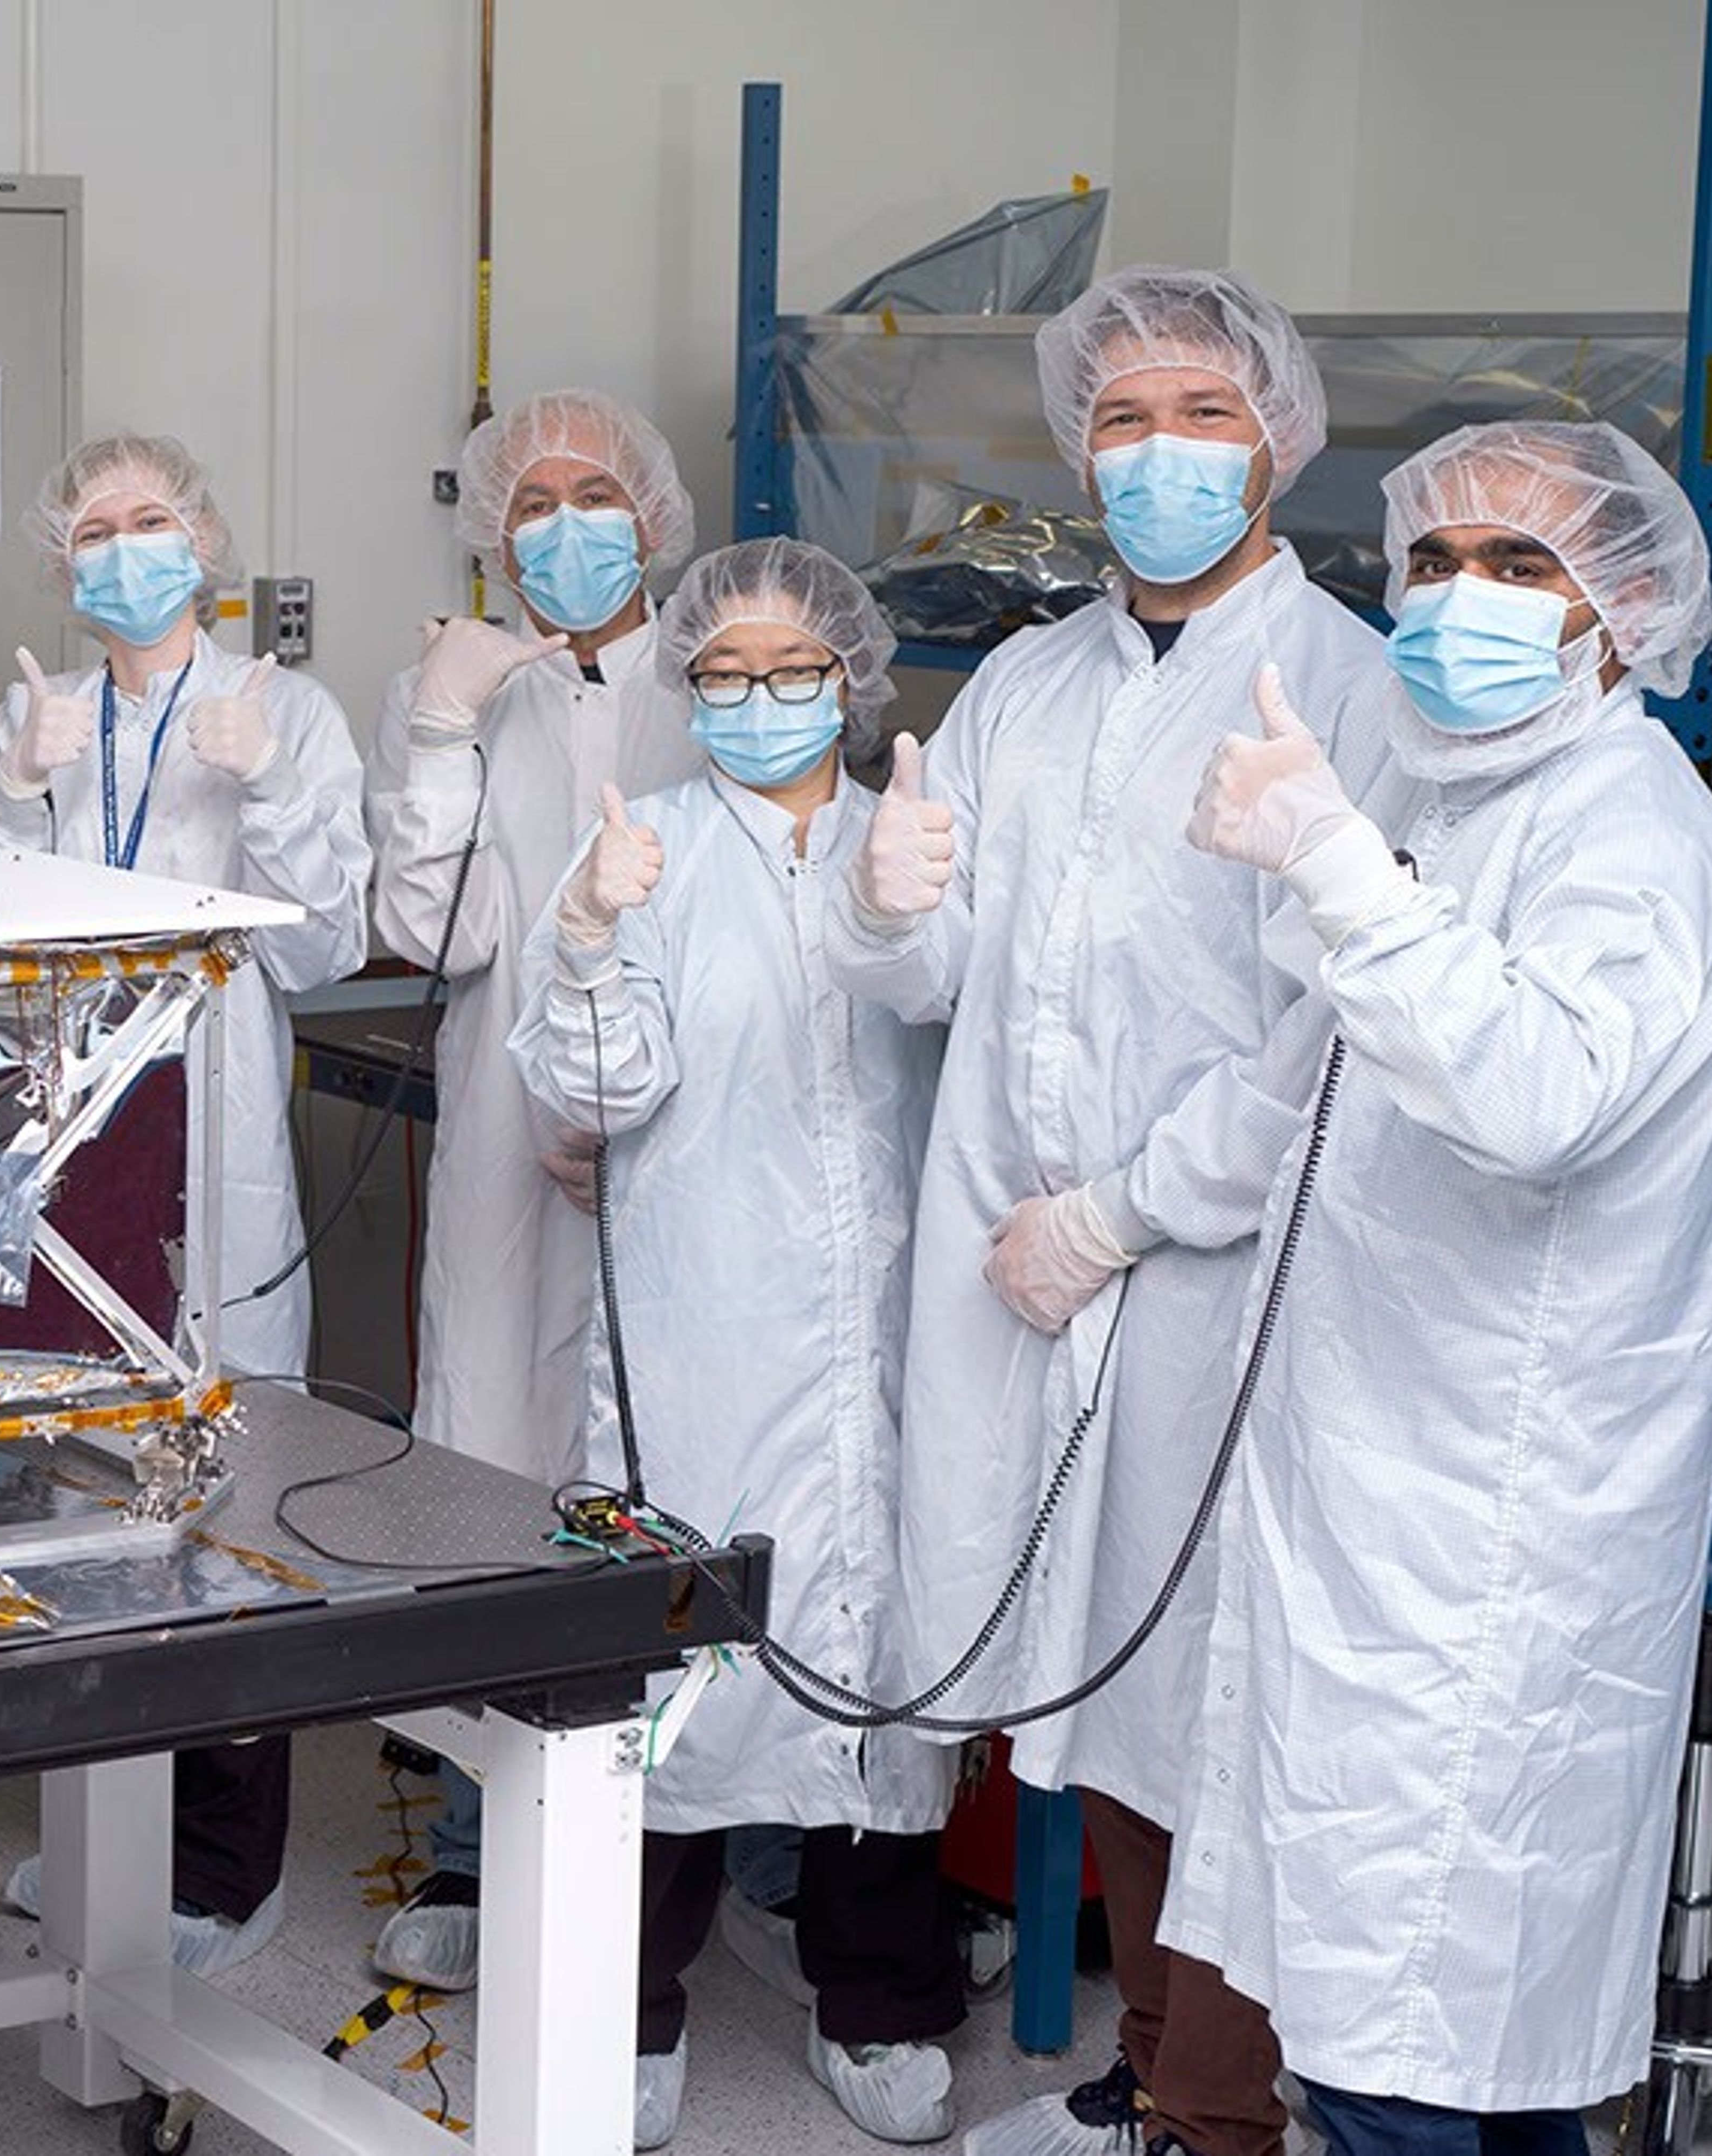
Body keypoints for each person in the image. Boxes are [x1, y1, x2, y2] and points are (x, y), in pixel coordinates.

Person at [822, 267, 1411, 2156]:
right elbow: (951, 991)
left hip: (1208, 1280)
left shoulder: (1343, 690)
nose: (1158, 453)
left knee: (1199, 1693)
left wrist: (1124, 1214)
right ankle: (1161, 2074)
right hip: (1012, 1256)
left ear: (1280, 443)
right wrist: (896, 904)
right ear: (1079, 450)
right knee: (1072, 1691)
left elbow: (1329, 1037)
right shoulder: (1023, 679)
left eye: (1202, 416)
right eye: (1125, 418)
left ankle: (1216, 2102)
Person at [1167, 424, 1712, 2153]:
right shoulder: (1456, 790)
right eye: (1432, 560)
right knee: (1430, 2033)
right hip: (1383, 1488)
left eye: (1519, 566)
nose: (1456, 599)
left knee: (1394, 2038)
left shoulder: (1628, 833)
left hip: (1485, 1543)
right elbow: (1336, 1053)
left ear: (1621, 612)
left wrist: (1337, 863)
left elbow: (1532, 1099)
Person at [515, 539, 958, 2145]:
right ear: (684, 687)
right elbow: (601, 1091)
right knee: (678, 1658)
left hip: (899, 1324)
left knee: (882, 1655)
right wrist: (581, 937)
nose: (760, 700)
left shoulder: (914, 837)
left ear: (848, 678)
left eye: (792, 672)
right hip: (701, 1323)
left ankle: (883, 1994)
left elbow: (974, 1023)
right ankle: (629, 2007)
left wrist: (910, 914)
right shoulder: (644, 848)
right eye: (724, 674)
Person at [0, 432, 369, 1971]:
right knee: (70, 1476)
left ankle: (226, 1863)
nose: (123, 550)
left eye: (149, 522)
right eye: (92, 530)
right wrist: (14, 784)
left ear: (204, 538)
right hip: (68, 1140)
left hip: (217, 1144)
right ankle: (97, 1834)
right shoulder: (37, 711)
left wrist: (258, 789)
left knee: (225, 1484)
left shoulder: (288, 713)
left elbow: (325, 943)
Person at [363, 387, 709, 1993]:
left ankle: (687, 1854)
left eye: (594, 493)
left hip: (691, 1134)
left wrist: (632, 1095)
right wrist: (436, 735)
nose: (564, 525)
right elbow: (429, 917)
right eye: (532, 504)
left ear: (652, 512)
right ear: (492, 536)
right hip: (506, 1127)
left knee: (676, 1464)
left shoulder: (721, 675)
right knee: (491, 1461)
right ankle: (474, 1850)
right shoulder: (461, 691)